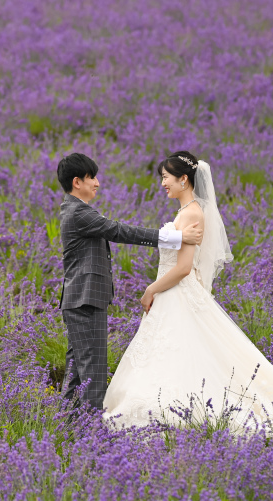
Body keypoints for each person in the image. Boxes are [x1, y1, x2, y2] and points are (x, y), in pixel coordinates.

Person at [102, 151, 273, 432]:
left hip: (176, 291)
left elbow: (184, 268)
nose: (163, 184)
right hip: (174, 294)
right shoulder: (185, 212)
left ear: (184, 179)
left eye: (166, 178)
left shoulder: (192, 213)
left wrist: (150, 289)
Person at [57, 153, 204, 413]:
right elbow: (119, 230)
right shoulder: (78, 213)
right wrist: (176, 238)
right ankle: (90, 431)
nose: (98, 183)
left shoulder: (75, 210)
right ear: (77, 182)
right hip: (84, 299)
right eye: (92, 178)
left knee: (79, 371)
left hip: (81, 299)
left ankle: (68, 427)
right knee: (93, 370)